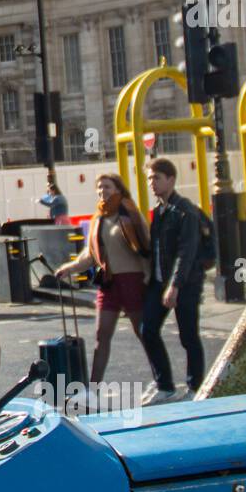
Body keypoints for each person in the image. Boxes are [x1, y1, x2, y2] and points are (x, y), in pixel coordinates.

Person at [54, 174, 150, 401]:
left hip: (132, 280)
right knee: (101, 335)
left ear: (118, 188)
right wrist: (70, 268)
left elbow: (145, 246)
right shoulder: (98, 218)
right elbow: (90, 254)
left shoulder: (130, 213)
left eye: (107, 187)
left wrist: (149, 278)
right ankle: (93, 389)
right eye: (99, 188)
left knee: (143, 332)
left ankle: (161, 378)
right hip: (109, 283)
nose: (102, 191)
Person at [140, 159, 207, 405]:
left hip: (185, 283)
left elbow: (186, 252)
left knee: (188, 335)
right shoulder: (158, 212)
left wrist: (175, 285)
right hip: (160, 281)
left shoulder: (184, 211)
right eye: (149, 178)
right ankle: (165, 386)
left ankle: (195, 387)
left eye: (156, 177)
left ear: (171, 179)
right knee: (147, 329)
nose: (152, 183)